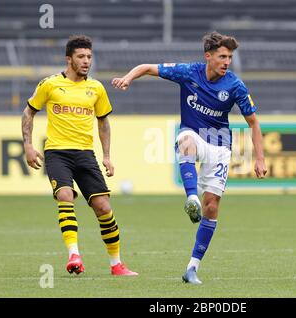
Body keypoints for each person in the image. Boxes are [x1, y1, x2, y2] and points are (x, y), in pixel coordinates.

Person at [112, 31, 267, 284]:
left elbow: (254, 123)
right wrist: (128, 78)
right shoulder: (188, 72)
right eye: (222, 56)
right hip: (193, 133)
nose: (227, 61)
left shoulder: (235, 86)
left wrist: (259, 159)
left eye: (229, 57)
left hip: (219, 145)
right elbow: (147, 67)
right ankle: (191, 197)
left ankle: (192, 268)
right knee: (185, 142)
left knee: (212, 207)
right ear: (208, 56)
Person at [21, 35, 138, 276]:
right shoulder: (50, 84)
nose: (86, 62)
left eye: (89, 57)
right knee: (65, 195)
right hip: (57, 153)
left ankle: (117, 264)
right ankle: (74, 255)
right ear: (69, 59)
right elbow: (29, 112)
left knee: (103, 207)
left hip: (85, 154)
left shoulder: (96, 88)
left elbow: (103, 123)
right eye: (81, 57)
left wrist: (106, 156)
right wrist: (28, 145)